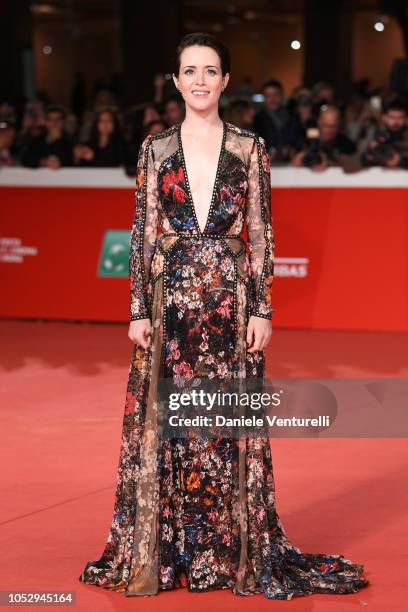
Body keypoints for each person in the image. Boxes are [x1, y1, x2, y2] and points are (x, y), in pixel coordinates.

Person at [79, 32, 370, 599]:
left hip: (230, 307)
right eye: (190, 71)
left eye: (210, 71)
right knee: (172, 428)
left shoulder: (249, 148)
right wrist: (137, 308)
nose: (200, 81)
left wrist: (263, 307)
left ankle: (225, 552)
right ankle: (170, 550)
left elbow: (261, 233)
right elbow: (143, 234)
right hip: (171, 305)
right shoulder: (155, 150)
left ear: (226, 80)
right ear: (176, 80)